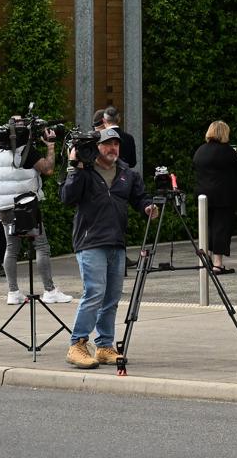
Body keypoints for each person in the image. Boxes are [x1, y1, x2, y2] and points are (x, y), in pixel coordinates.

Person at [59, 126, 157, 368]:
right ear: (96, 147)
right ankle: (77, 345)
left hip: (116, 242)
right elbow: (67, 197)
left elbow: (139, 197)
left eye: (116, 144)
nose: (113, 148)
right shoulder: (85, 171)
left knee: (111, 297)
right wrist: (74, 166)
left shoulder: (127, 172)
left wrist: (148, 207)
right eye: (107, 144)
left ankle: (104, 346)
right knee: (94, 292)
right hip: (90, 241)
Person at [0, 121, 72, 305]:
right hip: (24, 206)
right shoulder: (25, 151)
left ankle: (13, 292)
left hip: (2, 207)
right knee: (41, 246)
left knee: (11, 248)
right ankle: (50, 291)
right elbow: (48, 169)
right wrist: (50, 146)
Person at [192, 120, 237, 274]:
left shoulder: (200, 150)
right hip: (223, 196)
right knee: (221, 228)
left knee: (207, 228)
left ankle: (205, 259)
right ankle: (218, 264)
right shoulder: (227, 151)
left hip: (203, 196)